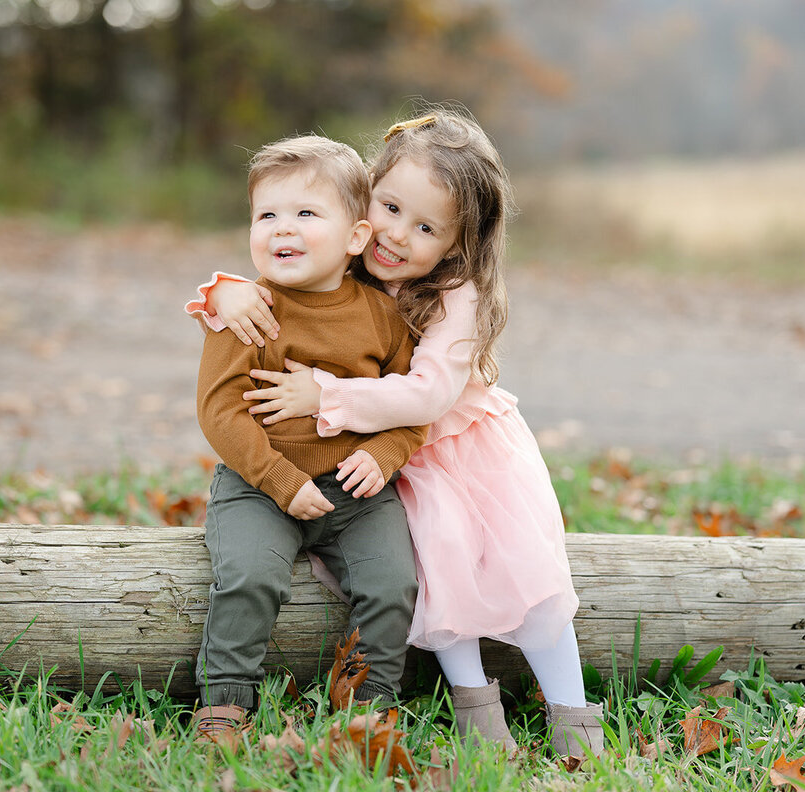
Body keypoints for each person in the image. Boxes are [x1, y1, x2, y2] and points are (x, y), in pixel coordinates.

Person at [186, 110, 604, 757]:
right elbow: (281, 270)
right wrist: (220, 292)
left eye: (426, 226)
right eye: (390, 207)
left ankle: (390, 711)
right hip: (312, 473)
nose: (398, 235)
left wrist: (347, 417)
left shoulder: (426, 299)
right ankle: (228, 704)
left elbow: (425, 401)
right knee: (291, 576)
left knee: (464, 579)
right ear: (363, 210)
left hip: (439, 461)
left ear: (456, 244)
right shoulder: (302, 285)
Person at [188, 134, 428, 742]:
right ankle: (225, 700)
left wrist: (383, 454)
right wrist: (279, 481)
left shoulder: (382, 317)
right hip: (259, 483)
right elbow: (220, 412)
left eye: (305, 214)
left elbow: (412, 406)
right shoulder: (246, 310)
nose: (281, 229)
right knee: (250, 575)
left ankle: (370, 707)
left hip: (357, 490)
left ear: (356, 238)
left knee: (393, 584)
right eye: (266, 215)